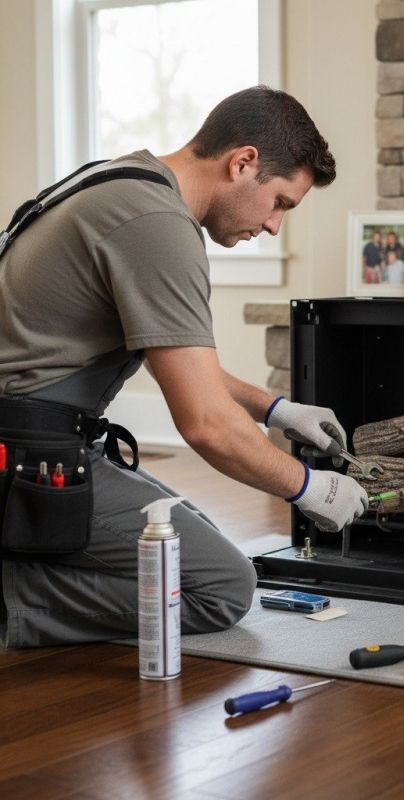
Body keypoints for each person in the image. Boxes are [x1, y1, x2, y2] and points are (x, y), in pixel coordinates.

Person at [0, 85, 368, 649]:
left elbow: (177, 357)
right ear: (243, 163)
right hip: (26, 455)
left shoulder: (126, 182)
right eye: (281, 204)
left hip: (35, 440)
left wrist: (276, 408)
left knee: (179, 531)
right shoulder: (158, 226)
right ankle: (13, 599)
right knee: (221, 587)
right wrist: (310, 488)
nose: (274, 227)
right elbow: (204, 424)